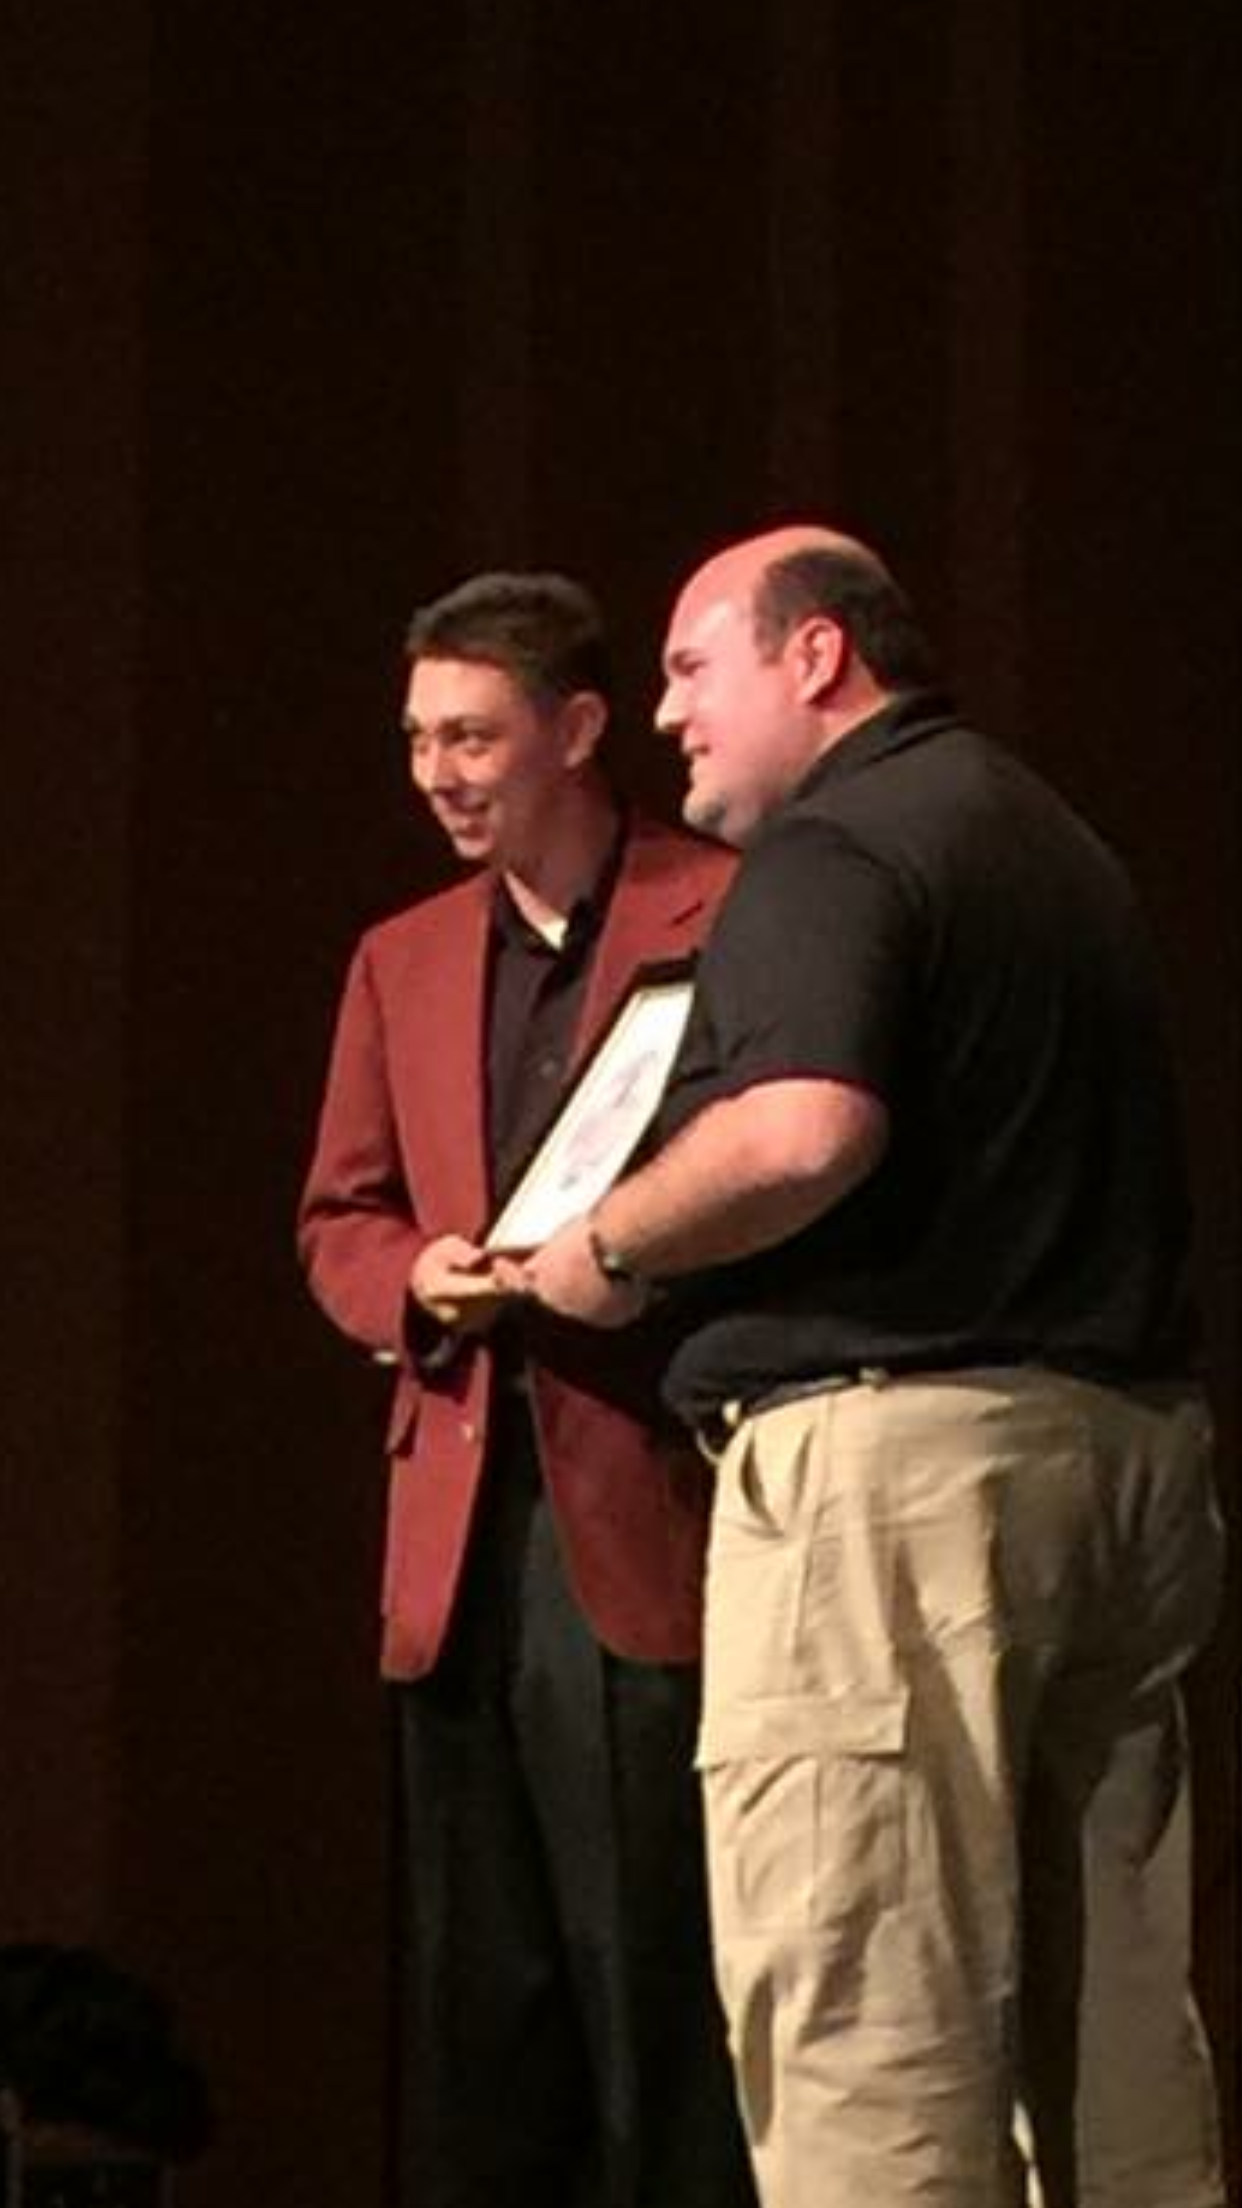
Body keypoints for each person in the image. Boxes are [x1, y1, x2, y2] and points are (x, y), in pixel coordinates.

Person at [516, 527, 1227, 2208]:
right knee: (1114, 2057)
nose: (666, 717)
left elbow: (802, 1129)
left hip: (896, 1500)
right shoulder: (1052, 841)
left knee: (864, 2034)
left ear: (817, 653)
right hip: (1121, 1467)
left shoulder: (834, 843)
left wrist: (607, 1247)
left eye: (692, 667)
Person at [297, 571, 756, 2208]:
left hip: (640, 1501)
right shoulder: (402, 956)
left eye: (472, 737)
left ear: (576, 729)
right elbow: (338, 1218)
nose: (437, 774)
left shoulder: (727, 905)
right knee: (481, 2014)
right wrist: (412, 1278)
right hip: (457, 1530)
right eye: (418, 739)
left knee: (657, 1997)